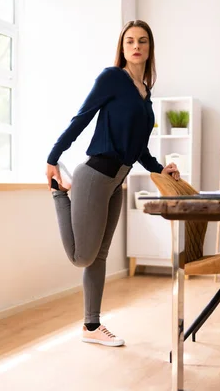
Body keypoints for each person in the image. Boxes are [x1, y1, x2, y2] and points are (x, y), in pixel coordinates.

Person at [45, 20, 180, 347]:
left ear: (150, 48)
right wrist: (53, 158)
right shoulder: (112, 79)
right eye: (130, 41)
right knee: (82, 258)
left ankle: (91, 327)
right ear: (122, 48)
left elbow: (140, 149)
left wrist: (163, 169)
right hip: (93, 177)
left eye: (143, 41)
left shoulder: (146, 96)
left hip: (116, 181)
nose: (136, 46)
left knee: (100, 256)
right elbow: (81, 118)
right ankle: (59, 195)